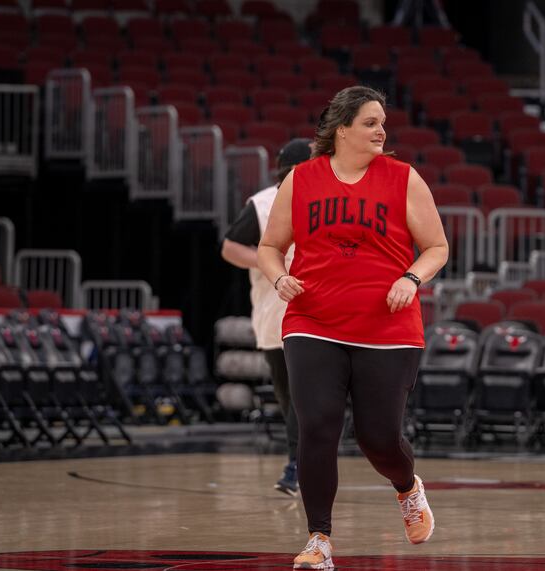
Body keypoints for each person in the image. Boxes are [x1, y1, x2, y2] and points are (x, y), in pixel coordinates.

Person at [258, 85, 449, 569]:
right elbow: (269, 246)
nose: (381, 130)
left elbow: (436, 247)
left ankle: (407, 487)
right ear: (341, 129)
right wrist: (279, 277)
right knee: (316, 426)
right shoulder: (301, 179)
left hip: (387, 327)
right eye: (370, 122)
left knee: (378, 437)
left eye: (383, 122)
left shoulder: (403, 178)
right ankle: (318, 539)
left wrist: (411, 277)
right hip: (312, 320)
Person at [221, 138, 312, 497]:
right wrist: (269, 261)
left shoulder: (325, 198)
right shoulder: (262, 204)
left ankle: (298, 465)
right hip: (276, 308)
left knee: (305, 395)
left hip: (315, 309)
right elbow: (229, 247)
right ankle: (300, 461)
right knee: (290, 396)